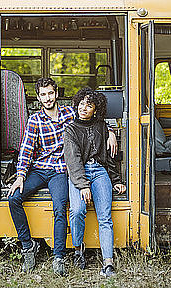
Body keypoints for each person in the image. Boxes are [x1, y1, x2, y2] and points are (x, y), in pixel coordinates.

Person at [8, 78, 117, 276]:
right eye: (43, 94)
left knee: (60, 207)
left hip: (60, 170)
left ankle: (58, 256)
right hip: (40, 168)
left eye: (50, 93)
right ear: (39, 97)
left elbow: (91, 119)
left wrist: (109, 131)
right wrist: (20, 176)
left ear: (56, 93)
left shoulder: (69, 113)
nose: (47, 98)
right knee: (14, 198)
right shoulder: (35, 120)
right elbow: (26, 150)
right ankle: (27, 246)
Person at [63, 87, 126, 278]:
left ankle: (108, 263)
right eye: (81, 104)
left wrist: (116, 180)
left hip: (99, 172)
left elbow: (109, 158)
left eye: (88, 105)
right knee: (77, 210)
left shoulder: (101, 126)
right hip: (78, 174)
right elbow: (73, 161)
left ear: (95, 109)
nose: (83, 108)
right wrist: (82, 185)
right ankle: (78, 249)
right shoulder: (70, 130)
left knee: (105, 216)